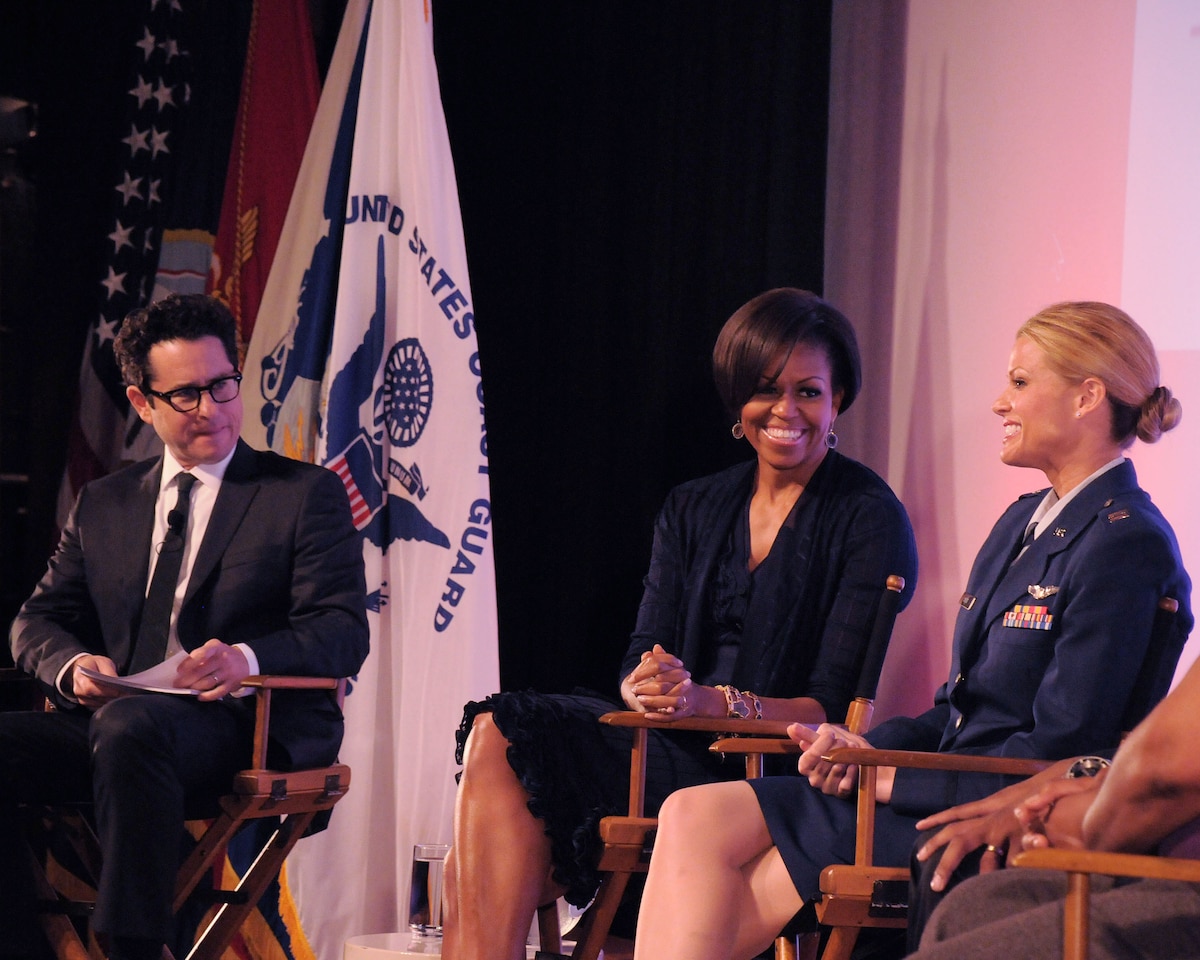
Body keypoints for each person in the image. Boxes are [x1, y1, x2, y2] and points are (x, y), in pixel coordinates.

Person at [632, 300, 1192, 960]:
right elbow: (956, 711)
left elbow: (1066, 746)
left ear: (1086, 396)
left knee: (750, 881)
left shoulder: (1127, 543)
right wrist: (861, 749)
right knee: (691, 814)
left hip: (987, 811)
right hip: (924, 788)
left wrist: (897, 781)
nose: (998, 404)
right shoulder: (1020, 524)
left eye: (1019, 382)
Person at [442, 288, 919, 960]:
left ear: (838, 399)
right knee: (499, 734)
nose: (785, 411)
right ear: (736, 401)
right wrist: (648, 684)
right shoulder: (693, 506)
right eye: (765, 390)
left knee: (514, 780)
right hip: (662, 752)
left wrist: (713, 703)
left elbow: (835, 707)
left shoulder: (869, 515)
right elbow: (643, 651)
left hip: (770, 777)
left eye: (808, 392)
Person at [1, 294, 369, 960]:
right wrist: (74, 668)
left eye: (222, 385)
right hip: (112, 725)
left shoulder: (301, 493)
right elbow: (38, 619)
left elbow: (342, 630)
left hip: (237, 726)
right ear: (143, 403)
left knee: (130, 729)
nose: (212, 409)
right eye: (186, 395)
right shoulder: (105, 501)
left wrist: (245, 659)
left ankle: (133, 948)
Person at [910, 649, 1200, 960]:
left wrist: (1087, 823)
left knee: (963, 875)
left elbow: (1165, 768)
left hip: (1175, 873)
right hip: (1167, 856)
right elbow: (954, 707)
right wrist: (1090, 775)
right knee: (972, 906)